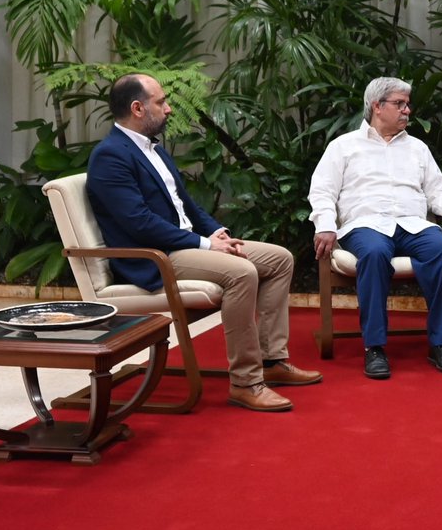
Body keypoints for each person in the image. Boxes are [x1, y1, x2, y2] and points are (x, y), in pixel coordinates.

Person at [87, 74, 322, 413]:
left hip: (185, 245)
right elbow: (139, 222)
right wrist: (205, 245)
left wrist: (218, 234)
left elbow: (188, 206)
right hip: (155, 257)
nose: (169, 109)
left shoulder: (154, 150)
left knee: (280, 258)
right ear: (137, 108)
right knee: (241, 273)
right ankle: (245, 382)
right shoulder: (110, 156)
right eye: (161, 102)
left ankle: (273, 361)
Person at [309, 77, 442, 380]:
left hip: (412, 224)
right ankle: (375, 347)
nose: (407, 110)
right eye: (399, 104)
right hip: (365, 224)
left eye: (407, 104)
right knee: (374, 252)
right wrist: (326, 226)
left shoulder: (417, 148)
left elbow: (438, 191)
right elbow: (322, 192)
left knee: (441, 249)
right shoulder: (343, 147)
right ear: (377, 107)